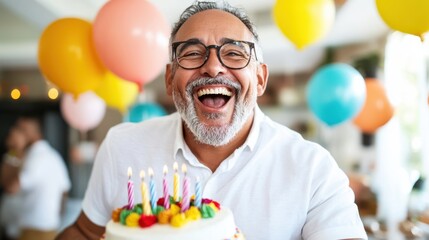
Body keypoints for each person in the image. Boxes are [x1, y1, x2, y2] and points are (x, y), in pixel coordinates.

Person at [56, 1, 367, 239]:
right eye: (192, 53)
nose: (213, 67)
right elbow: (83, 233)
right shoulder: (122, 146)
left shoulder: (313, 169)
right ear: (169, 79)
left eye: (234, 53)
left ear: (259, 79)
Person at [1, 117, 71, 240]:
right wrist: (56, 218)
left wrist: (13, 150)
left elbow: (10, 187)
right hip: (50, 228)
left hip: (33, 230)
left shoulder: (35, 157)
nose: (16, 132)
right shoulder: (53, 155)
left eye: (22, 130)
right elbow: (64, 190)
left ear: (36, 134)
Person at [0, 126, 28, 240]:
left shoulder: (34, 154)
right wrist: (14, 151)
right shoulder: (10, 155)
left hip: (25, 213)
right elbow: (6, 183)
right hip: (10, 209)